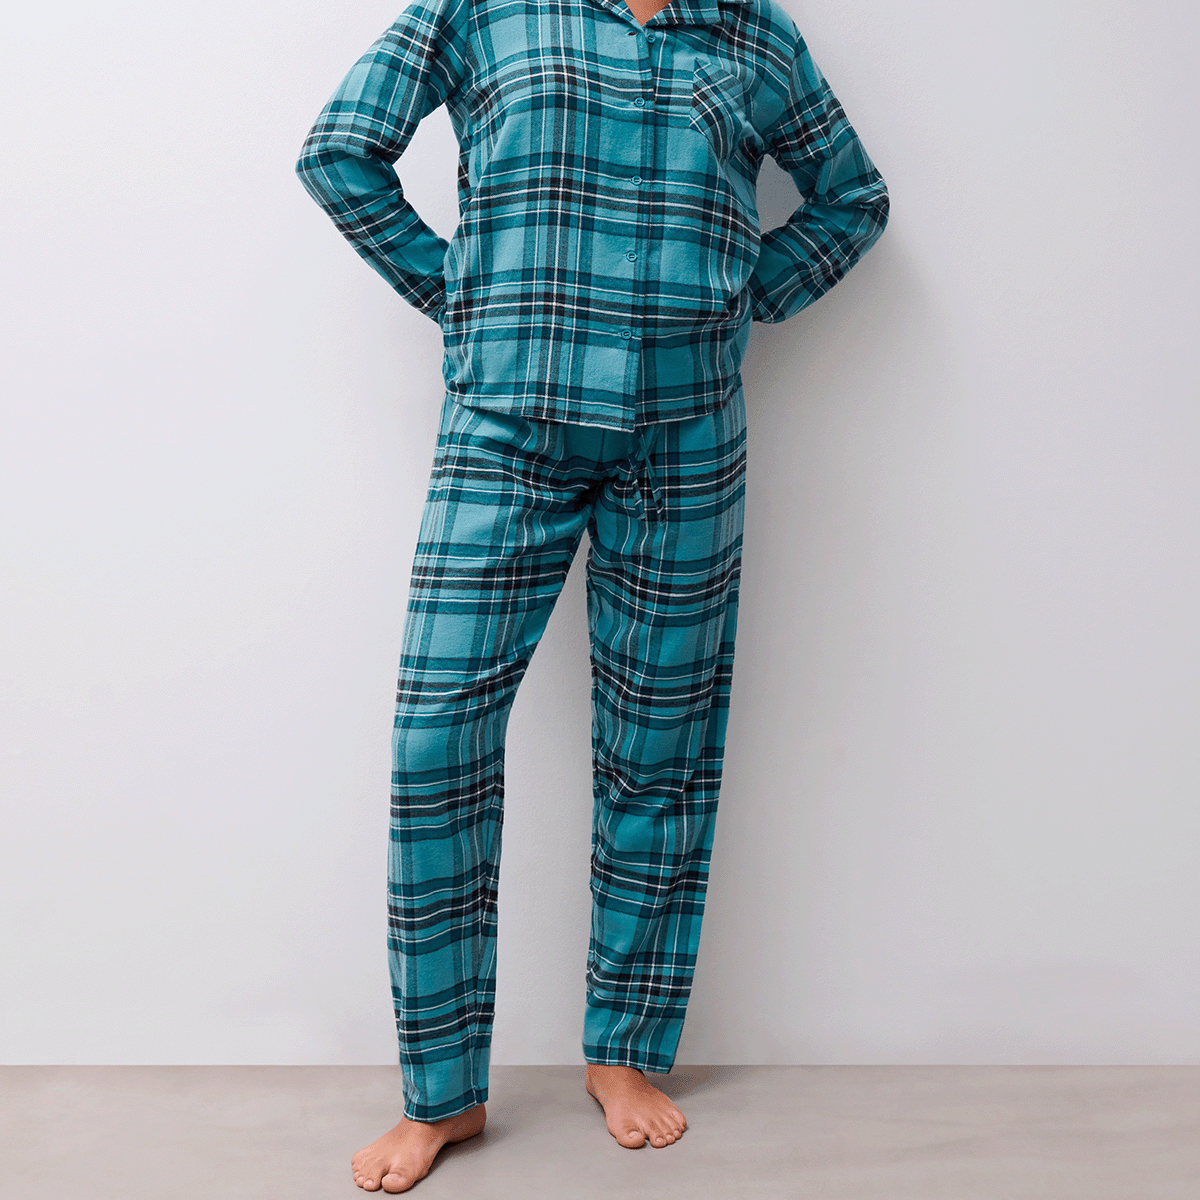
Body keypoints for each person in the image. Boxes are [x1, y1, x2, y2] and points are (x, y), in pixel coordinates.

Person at [296, 0, 887, 1187]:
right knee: (438, 741)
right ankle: (442, 1092)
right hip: (504, 428)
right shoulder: (481, 10)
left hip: (685, 441)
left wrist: (741, 296)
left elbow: (852, 199)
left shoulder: (754, 36)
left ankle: (624, 1053)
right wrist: (461, 293)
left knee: (659, 750)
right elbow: (340, 151)